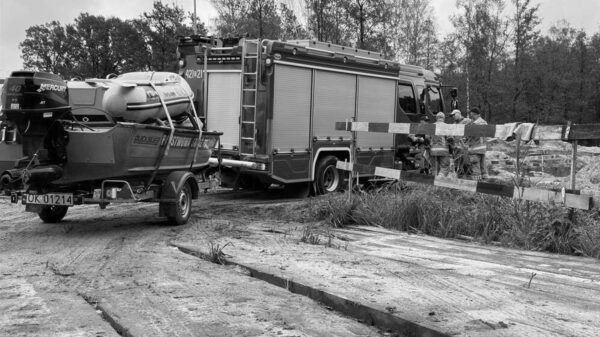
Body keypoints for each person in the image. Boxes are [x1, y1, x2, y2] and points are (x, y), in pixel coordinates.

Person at [466, 107, 488, 180]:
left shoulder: (474, 124)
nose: (471, 117)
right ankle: (485, 184)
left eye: (471, 115)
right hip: (483, 148)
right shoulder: (485, 122)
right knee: (483, 167)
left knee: (476, 167)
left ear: (474, 114)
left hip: (475, 149)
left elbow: (469, 135)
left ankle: (477, 186)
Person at [429, 112, 452, 177]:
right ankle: (440, 180)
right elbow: (450, 138)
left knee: (435, 168)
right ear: (444, 118)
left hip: (433, 151)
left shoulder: (432, 126)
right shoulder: (446, 126)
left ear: (436, 118)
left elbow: (427, 138)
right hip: (443, 150)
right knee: (444, 167)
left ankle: (434, 182)